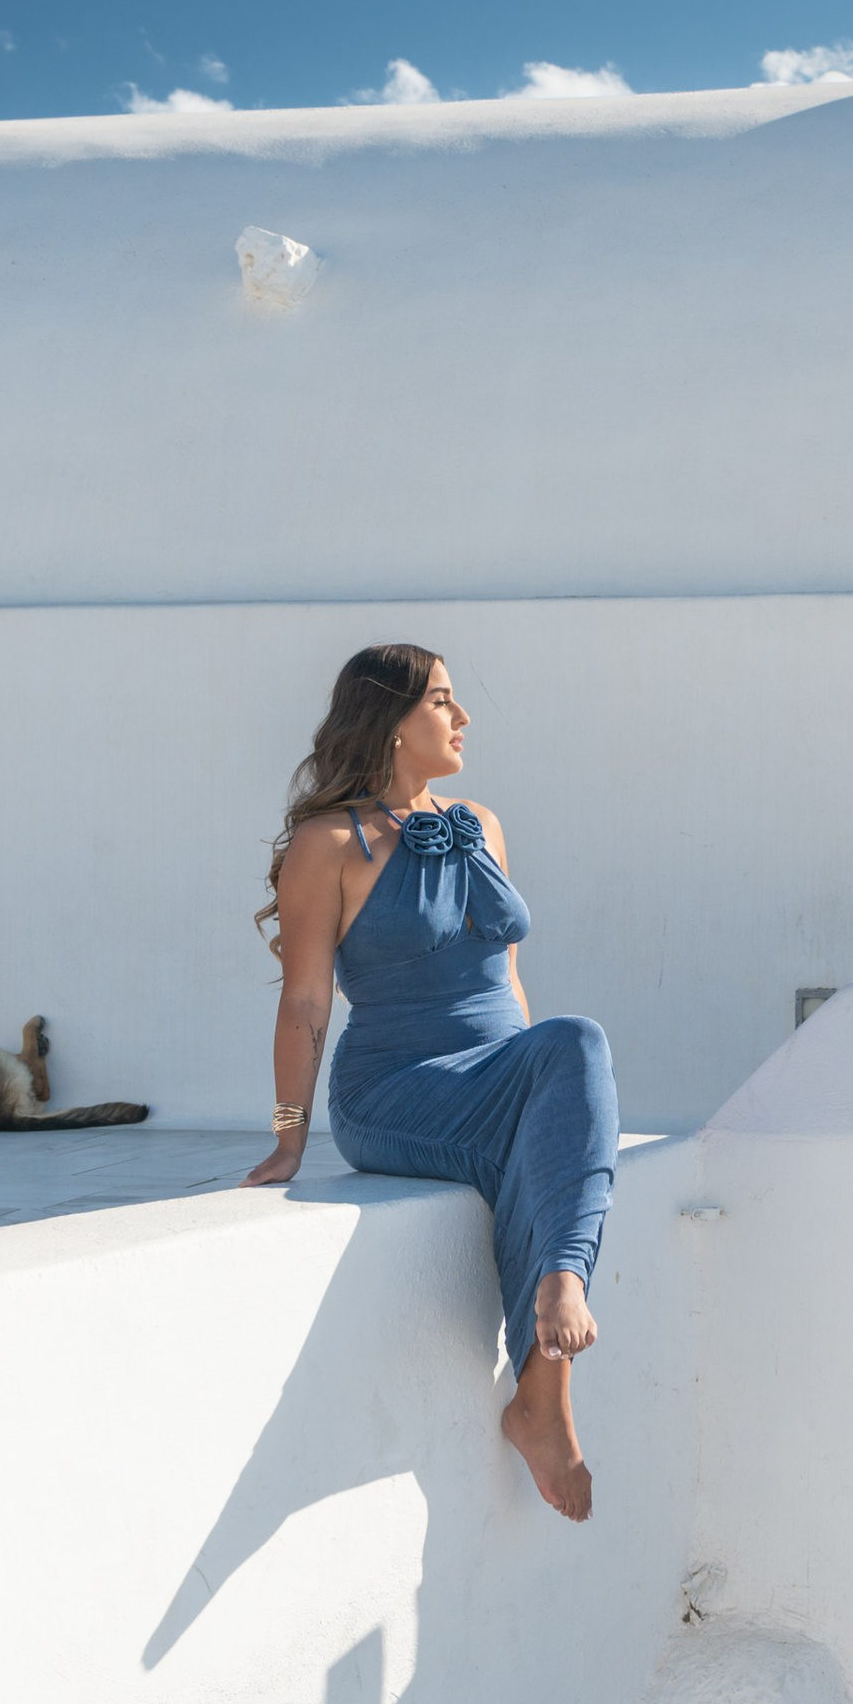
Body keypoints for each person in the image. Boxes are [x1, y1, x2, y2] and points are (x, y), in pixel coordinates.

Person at [246, 643, 617, 1522]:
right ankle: (546, 1390)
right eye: (443, 702)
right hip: (395, 1091)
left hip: (493, 1069)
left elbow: (509, 978)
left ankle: (551, 1334)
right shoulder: (327, 843)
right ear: (390, 720)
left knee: (575, 1041)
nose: (462, 718)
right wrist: (290, 1134)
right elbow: (305, 998)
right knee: (564, 1061)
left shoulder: (480, 822)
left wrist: (535, 1098)